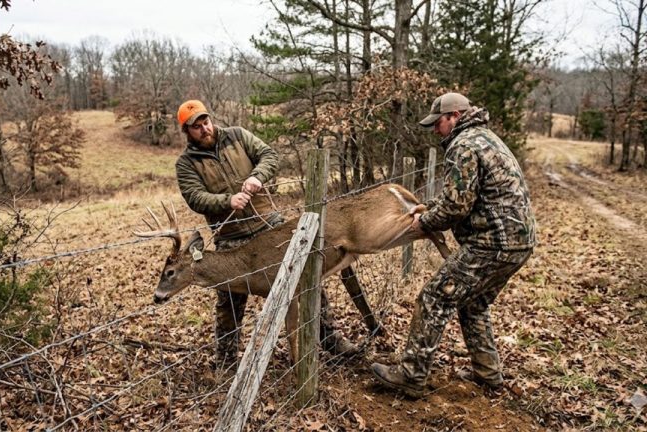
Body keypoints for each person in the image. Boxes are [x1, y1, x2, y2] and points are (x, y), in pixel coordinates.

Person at [370, 92, 537, 398]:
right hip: (519, 242)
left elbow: (456, 208)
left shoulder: (462, 145)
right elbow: (464, 197)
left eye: (439, 122)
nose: (436, 130)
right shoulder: (486, 138)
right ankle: (488, 374)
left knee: (434, 297)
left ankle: (411, 374)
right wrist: (429, 206)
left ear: (456, 116)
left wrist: (425, 221)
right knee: (473, 304)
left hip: (493, 243)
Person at [174, 100, 359, 371]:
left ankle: (330, 338)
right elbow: (194, 197)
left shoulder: (237, 136)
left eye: (206, 122)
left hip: (269, 226)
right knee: (229, 303)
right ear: (187, 132)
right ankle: (226, 362)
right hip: (231, 237)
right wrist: (227, 201)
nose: (205, 129)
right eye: (197, 127)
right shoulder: (186, 164)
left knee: (306, 278)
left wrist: (258, 176)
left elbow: (269, 155)